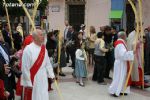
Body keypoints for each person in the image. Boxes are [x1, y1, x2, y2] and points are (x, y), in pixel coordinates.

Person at [21, 29, 55, 100]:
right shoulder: (28, 49)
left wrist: (51, 75)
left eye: (43, 35)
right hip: (33, 78)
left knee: (43, 94)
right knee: (35, 96)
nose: (43, 37)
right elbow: (25, 68)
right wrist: (28, 82)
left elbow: (48, 64)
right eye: (41, 35)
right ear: (35, 37)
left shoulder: (44, 49)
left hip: (43, 77)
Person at [109, 31, 134, 97]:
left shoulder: (120, 42)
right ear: (123, 36)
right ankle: (115, 91)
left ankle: (121, 90)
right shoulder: (120, 44)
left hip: (121, 63)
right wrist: (132, 53)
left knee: (122, 77)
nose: (126, 37)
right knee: (119, 77)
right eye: (126, 36)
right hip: (120, 63)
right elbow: (123, 54)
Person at [0, 30, 16, 100]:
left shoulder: (3, 45)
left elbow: (7, 56)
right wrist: (3, 69)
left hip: (9, 73)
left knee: (11, 92)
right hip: (2, 76)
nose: (1, 36)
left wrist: (12, 61)